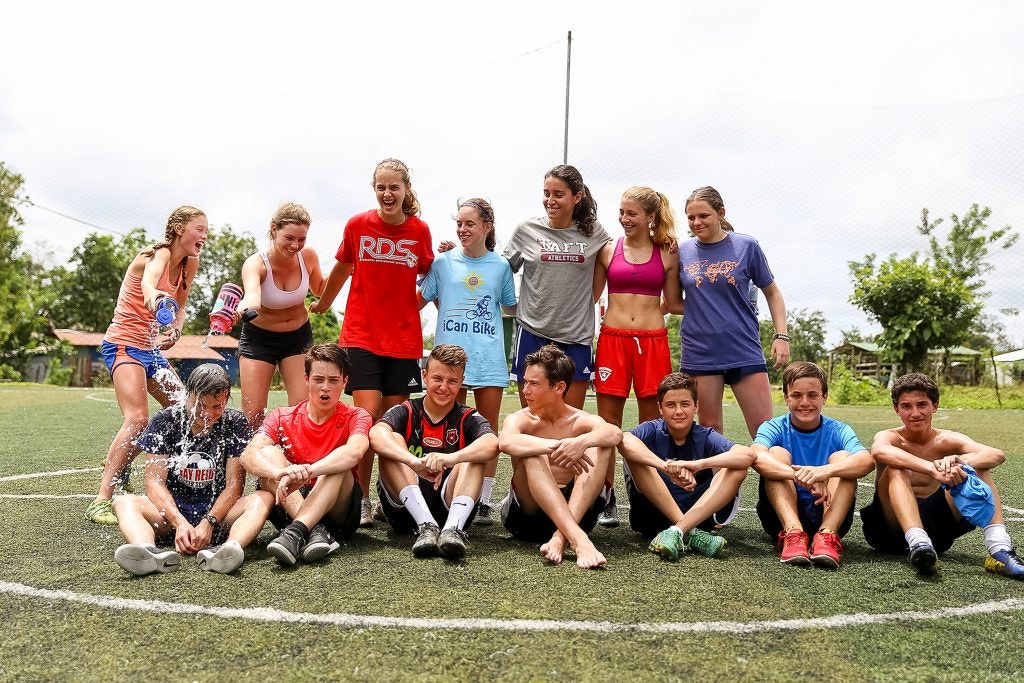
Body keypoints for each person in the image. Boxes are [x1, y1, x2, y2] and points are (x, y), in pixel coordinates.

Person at [311, 159, 433, 528]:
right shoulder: (358, 225)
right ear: (374, 188)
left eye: (394, 187)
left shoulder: (420, 231)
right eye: (381, 186)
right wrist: (325, 303)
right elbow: (342, 269)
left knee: (394, 428)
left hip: (403, 342)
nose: (387, 193)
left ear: (406, 189)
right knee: (366, 420)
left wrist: (411, 308)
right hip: (361, 336)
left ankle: (392, 499)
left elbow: (432, 276)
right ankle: (361, 498)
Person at [86, 206, 207, 525]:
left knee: (187, 409)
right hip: (124, 344)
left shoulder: (190, 263)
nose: (204, 236)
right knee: (138, 418)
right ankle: (101, 500)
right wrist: (154, 297)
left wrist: (176, 329)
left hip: (151, 349)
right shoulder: (158, 255)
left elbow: (180, 304)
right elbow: (149, 284)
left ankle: (120, 461)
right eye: (199, 229)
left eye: (207, 231)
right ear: (180, 228)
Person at [862, 372, 1023, 579]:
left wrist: (960, 462)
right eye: (906, 406)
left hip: (936, 532)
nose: (915, 413)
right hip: (888, 530)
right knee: (896, 466)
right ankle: (917, 542)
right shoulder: (890, 436)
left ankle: (1000, 549)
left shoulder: (947, 439)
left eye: (922, 404)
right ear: (897, 409)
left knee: (977, 468)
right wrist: (932, 468)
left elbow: (996, 454)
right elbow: (879, 452)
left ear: (934, 406)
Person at [112, 364, 268, 575]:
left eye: (217, 406)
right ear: (188, 394)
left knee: (262, 499)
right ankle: (147, 552)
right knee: (123, 502)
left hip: (218, 519)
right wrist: (180, 523)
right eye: (200, 405)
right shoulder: (165, 420)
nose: (208, 414)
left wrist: (209, 522)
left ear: (227, 398)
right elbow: (154, 483)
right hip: (170, 518)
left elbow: (234, 487)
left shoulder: (234, 421)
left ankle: (228, 550)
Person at [418, 198, 515, 526]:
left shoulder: (501, 266)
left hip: (488, 357)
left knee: (487, 430)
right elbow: (423, 298)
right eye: (458, 223)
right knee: (449, 428)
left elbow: (509, 308)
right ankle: (447, 490)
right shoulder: (443, 263)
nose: (462, 229)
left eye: (469, 224)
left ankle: (483, 501)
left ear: (487, 227)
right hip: (448, 360)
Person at [591, 186, 682, 528]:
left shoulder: (669, 253)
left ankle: (646, 496)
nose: (624, 219)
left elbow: (674, 304)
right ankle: (605, 496)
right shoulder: (607, 250)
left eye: (632, 213)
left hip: (653, 342)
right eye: (622, 212)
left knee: (650, 427)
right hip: (612, 341)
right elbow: (590, 295)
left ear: (650, 217)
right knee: (607, 426)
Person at [239, 344, 371, 567]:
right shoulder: (281, 416)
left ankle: (296, 532)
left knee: (339, 464)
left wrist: (308, 470)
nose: (325, 388)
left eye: (333, 380)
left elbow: (354, 452)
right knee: (268, 453)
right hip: (291, 499)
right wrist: (278, 472)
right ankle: (314, 531)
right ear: (306, 379)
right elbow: (248, 454)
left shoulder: (357, 415)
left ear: (345, 382)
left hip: (338, 510)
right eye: (318, 379)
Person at [677, 186, 789, 439]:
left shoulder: (746, 246)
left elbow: (773, 293)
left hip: (742, 348)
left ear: (720, 213)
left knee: (765, 430)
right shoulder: (681, 251)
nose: (696, 222)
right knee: (710, 430)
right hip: (700, 352)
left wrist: (781, 336)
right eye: (691, 217)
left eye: (703, 216)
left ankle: (776, 479)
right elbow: (673, 302)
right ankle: (713, 480)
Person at [369, 344, 499, 559]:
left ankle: (452, 530)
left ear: (461, 381)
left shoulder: (467, 416)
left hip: (451, 507)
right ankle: (426, 526)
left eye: (452, 381)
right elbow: (375, 435)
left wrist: (450, 458)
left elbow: (492, 443)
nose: (444, 387)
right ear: (425, 376)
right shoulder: (407, 410)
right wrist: (413, 462)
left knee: (474, 455)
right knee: (391, 440)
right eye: (437, 379)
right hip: (406, 514)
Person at [497, 344, 622, 569]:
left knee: (599, 443)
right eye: (525, 382)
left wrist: (582, 442)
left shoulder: (579, 420)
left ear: (559, 387)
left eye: (534, 384)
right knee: (532, 450)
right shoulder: (521, 419)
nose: (525, 390)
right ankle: (578, 540)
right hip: (528, 519)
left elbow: (614, 433)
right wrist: (556, 446)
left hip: (578, 511)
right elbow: (505, 442)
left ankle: (560, 537)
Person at [503, 164, 611, 410]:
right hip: (532, 332)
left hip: (576, 337)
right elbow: (499, 269)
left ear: (577, 196)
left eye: (558, 194)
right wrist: (511, 306)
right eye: (546, 193)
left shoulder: (594, 233)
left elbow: (615, 262)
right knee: (532, 417)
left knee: (570, 421)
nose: (550, 200)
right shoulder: (526, 230)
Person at [617, 372, 755, 561]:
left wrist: (698, 465)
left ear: (696, 407)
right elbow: (623, 440)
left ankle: (678, 530)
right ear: (660, 408)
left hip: (700, 517)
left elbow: (748, 455)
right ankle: (690, 533)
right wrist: (666, 467)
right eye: (671, 405)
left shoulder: (705, 435)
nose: (679, 411)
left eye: (685, 404)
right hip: (653, 518)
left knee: (736, 465)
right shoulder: (652, 429)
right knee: (635, 456)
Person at [751, 361, 874, 568]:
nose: (804, 402)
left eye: (813, 395)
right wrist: (801, 477)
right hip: (780, 518)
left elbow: (866, 461)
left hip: (828, 512)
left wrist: (823, 472)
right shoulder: (773, 427)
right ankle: (793, 534)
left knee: (844, 457)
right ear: (786, 397)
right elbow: (755, 456)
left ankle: (827, 536)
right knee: (776, 453)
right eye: (796, 395)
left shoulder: (838, 429)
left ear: (824, 397)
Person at [236, 202, 326, 430]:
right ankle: (252, 462)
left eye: (301, 239)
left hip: (297, 338)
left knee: (303, 408)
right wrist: (243, 307)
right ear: (274, 229)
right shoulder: (256, 264)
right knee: (253, 414)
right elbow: (253, 297)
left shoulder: (308, 257)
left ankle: (296, 464)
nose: (296, 245)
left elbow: (320, 289)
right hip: (259, 340)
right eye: (290, 238)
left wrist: (344, 268)